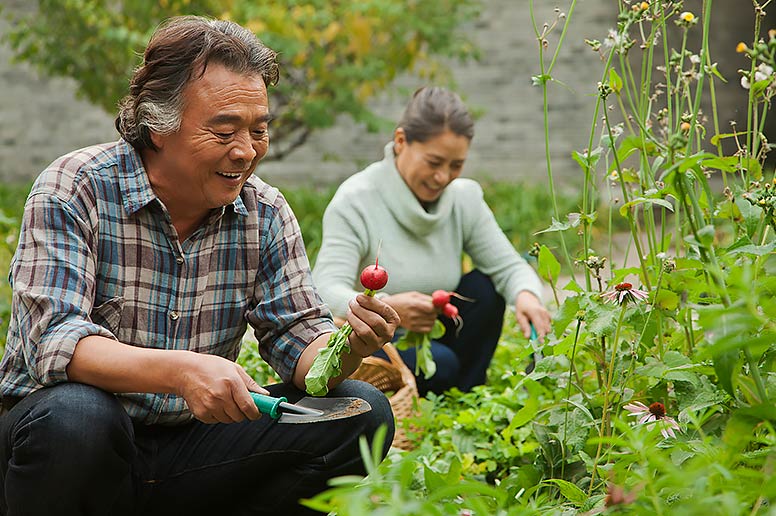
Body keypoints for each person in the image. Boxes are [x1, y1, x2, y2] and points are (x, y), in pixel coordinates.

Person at [0, 16, 400, 516]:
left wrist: (349, 344)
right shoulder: (75, 187)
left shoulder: (265, 212)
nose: (246, 151)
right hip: (67, 443)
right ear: (158, 125)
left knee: (361, 412)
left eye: (259, 130)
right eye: (224, 130)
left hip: (187, 449)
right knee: (80, 415)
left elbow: (302, 345)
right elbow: (54, 342)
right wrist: (182, 371)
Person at [313, 86, 551, 396]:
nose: (443, 177)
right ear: (401, 142)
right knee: (442, 363)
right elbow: (325, 289)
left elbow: (509, 266)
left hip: (436, 332)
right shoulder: (356, 200)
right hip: (378, 340)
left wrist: (527, 296)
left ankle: (464, 399)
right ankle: (440, 395)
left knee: (485, 287)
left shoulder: (463, 198)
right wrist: (386, 307)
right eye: (434, 162)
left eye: (456, 165)